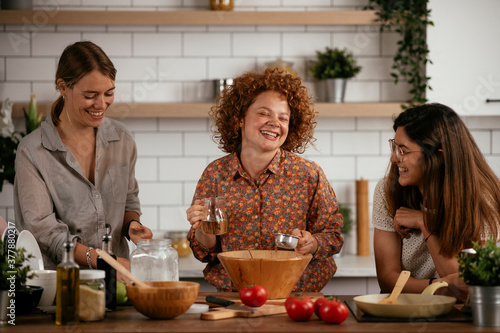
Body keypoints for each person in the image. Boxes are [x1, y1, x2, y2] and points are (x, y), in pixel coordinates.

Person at [186, 68, 343, 292]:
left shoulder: (309, 174)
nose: (274, 122)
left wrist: (312, 242)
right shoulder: (215, 174)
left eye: (283, 118)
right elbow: (205, 251)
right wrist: (201, 227)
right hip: (236, 297)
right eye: (264, 113)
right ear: (240, 119)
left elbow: (333, 236)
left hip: (295, 298)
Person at [14, 41, 152, 282]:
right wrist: (102, 260)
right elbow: (45, 233)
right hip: (60, 291)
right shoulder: (32, 151)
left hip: (117, 288)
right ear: (62, 87)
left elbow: (129, 198)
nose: (101, 105)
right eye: (90, 96)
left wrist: (132, 225)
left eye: (109, 93)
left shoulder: (121, 139)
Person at [373, 103, 500, 302]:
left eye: (403, 151)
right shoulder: (388, 190)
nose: (393, 158)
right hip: (402, 305)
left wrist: (425, 223)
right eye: (394, 147)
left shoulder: (482, 198)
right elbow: (387, 279)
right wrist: (437, 287)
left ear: (438, 156)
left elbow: (468, 286)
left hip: (460, 312)